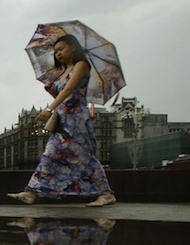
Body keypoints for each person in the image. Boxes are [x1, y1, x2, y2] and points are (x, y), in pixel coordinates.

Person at [7, 34, 116, 207]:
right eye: (55, 51)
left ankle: (106, 194)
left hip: (77, 118)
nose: (57, 53)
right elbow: (62, 94)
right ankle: (31, 192)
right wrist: (51, 91)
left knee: (84, 156)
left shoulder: (82, 65)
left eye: (61, 49)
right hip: (63, 117)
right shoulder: (63, 71)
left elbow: (70, 89)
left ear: (73, 47)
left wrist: (49, 108)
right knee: (50, 153)